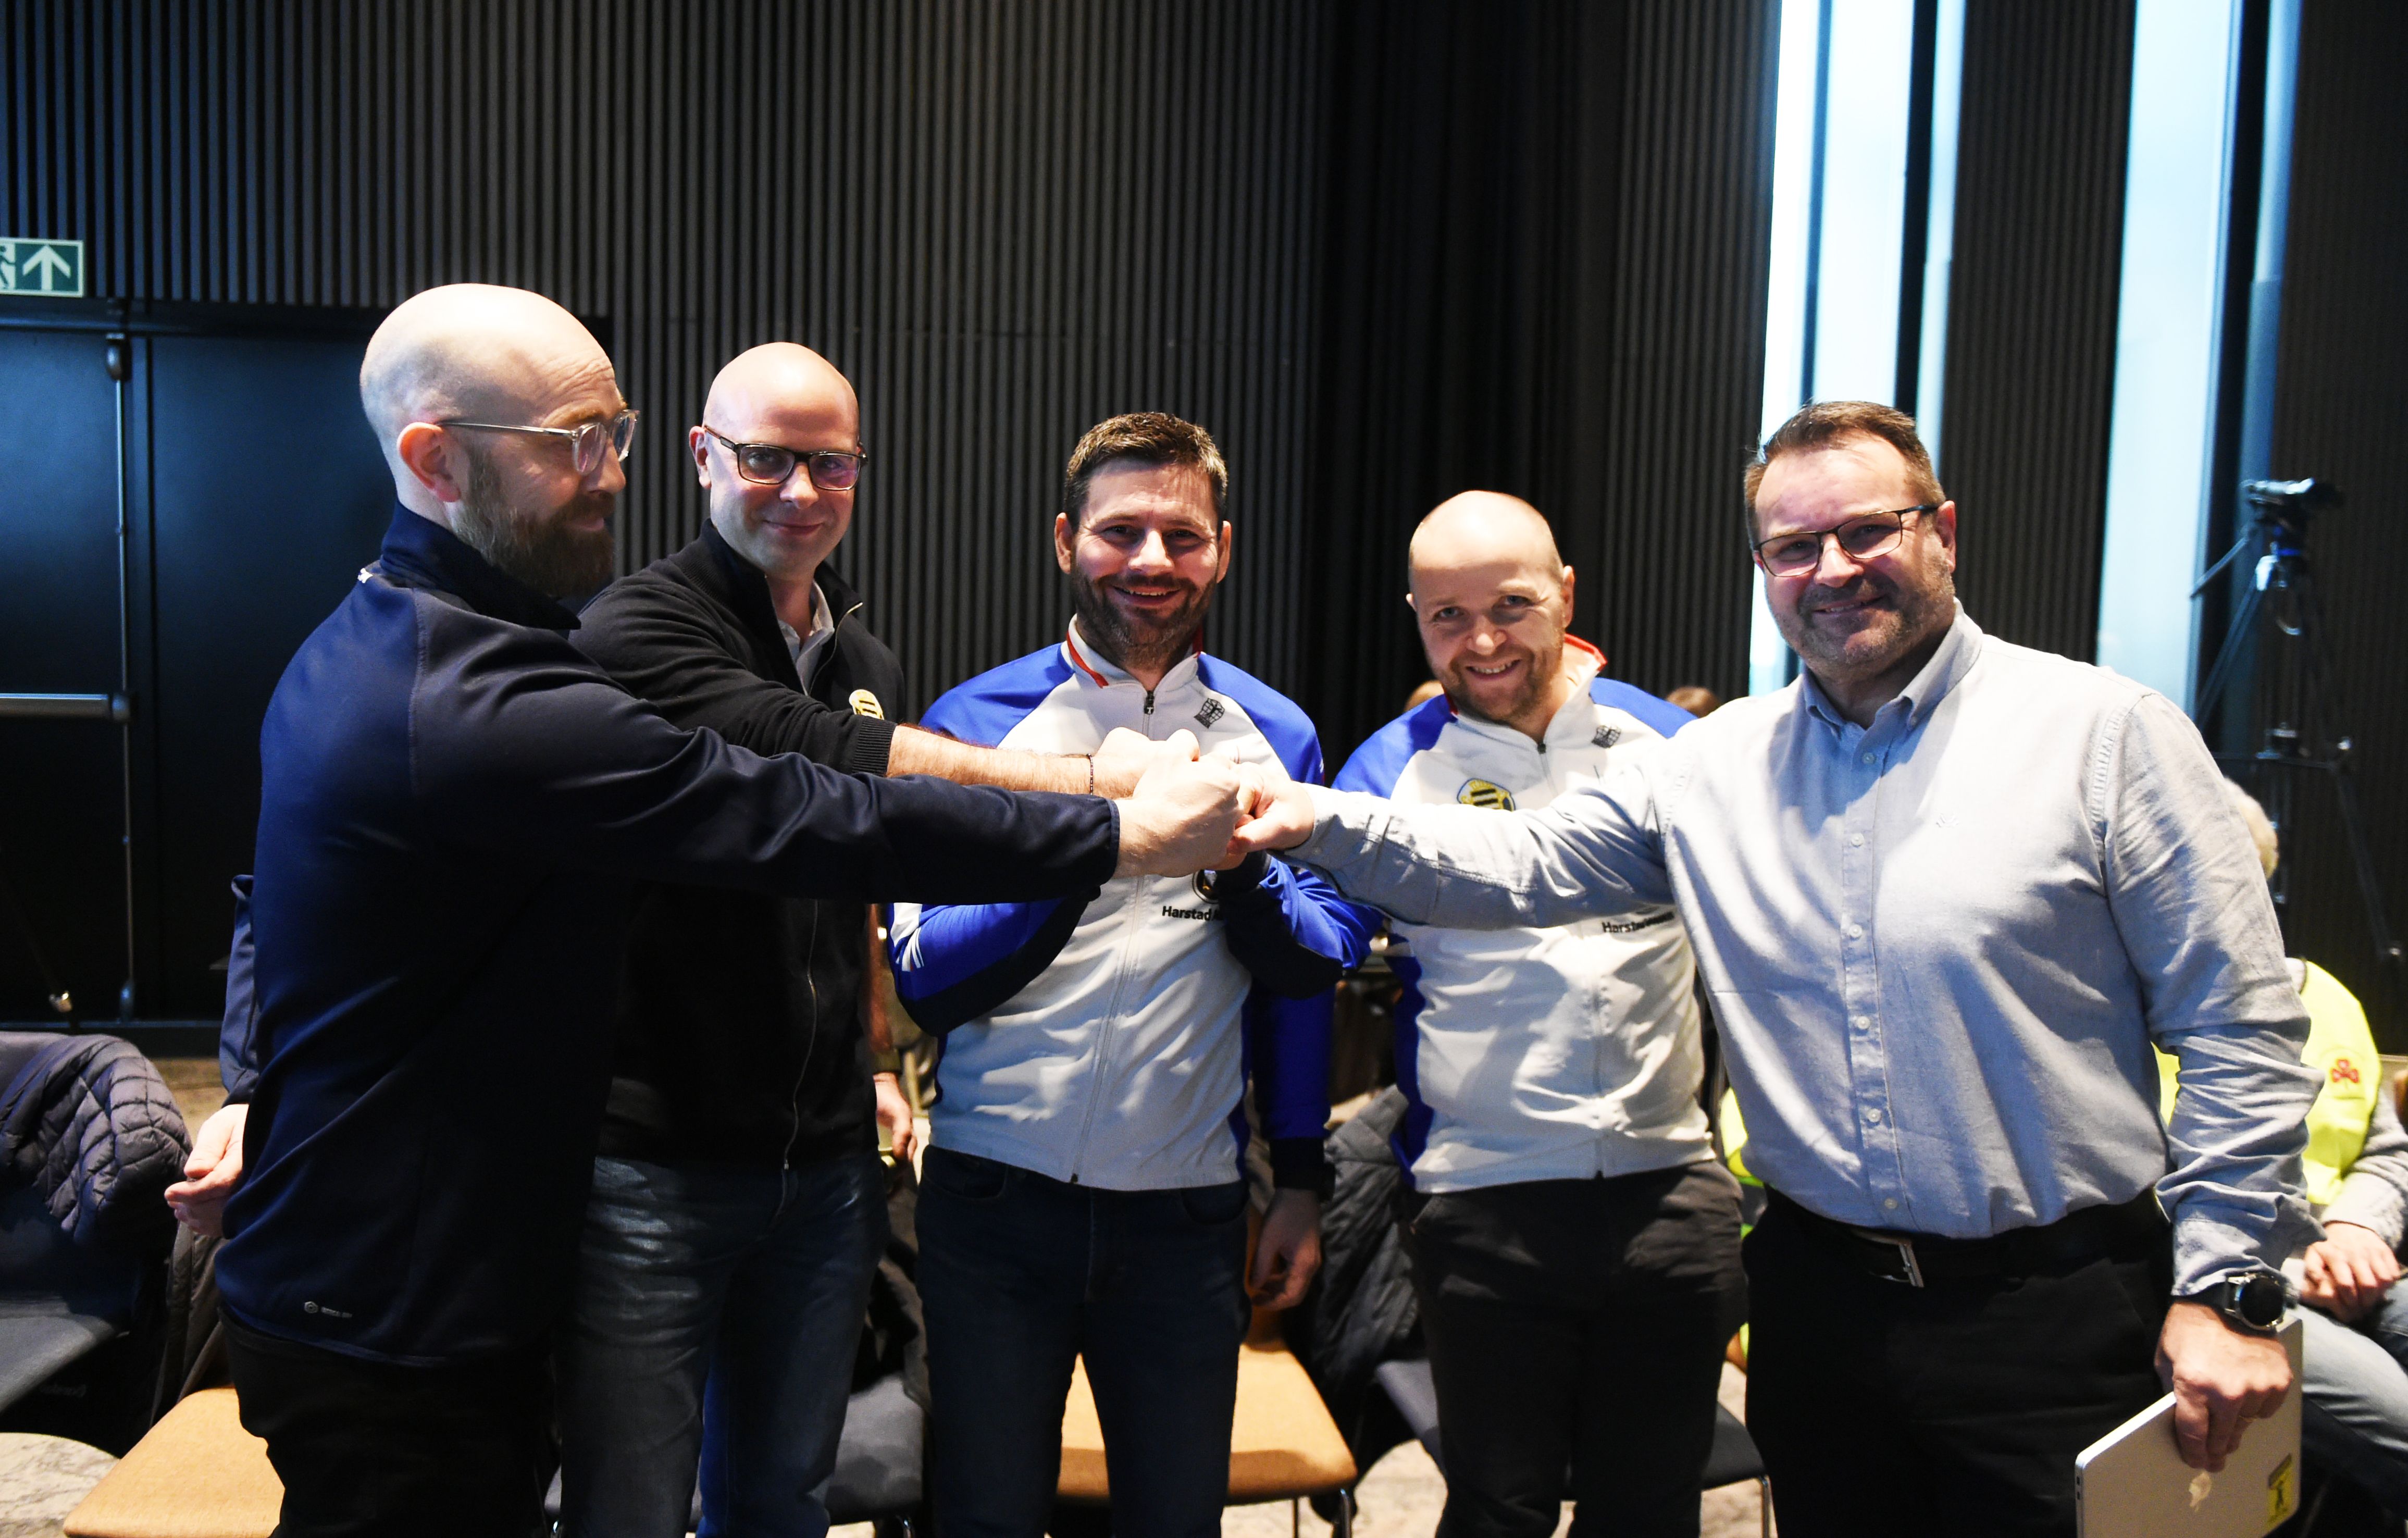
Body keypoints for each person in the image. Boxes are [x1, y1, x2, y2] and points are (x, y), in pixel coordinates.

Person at [164, 286, 1249, 1538]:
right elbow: (797, 801)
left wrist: (256, 1084)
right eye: (577, 443)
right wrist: (1114, 825)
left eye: (612, 433)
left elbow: (287, 901)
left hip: (534, 1238)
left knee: (772, 1494)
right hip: (411, 1281)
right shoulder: (491, 685)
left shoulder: (449, 636)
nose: (609, 474)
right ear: (435, 458)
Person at [1233, 399, 2319, 1537]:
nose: (1832, 570)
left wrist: (2229, 1288)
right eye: (1794, 546)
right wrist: (1298, 815)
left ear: (1943, 530)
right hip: (1820, 1313)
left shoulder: (2106, 734)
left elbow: (2240, 1025)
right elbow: (1518, 864)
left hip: (2055, 1314)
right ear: (1763, 569)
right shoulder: (1711, 766)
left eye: (1867, 531)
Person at [548, 344, 1186, 1538]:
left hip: (827, 1164)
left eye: (829, 464)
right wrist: (1107, 795)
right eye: (766, 459)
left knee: (785, 1498)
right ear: (700, 457)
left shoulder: (865, 659)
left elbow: (860, 885)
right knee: (629, 1508)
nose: (801, 491)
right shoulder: (634, 630)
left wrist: (878, 1063)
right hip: (654, 1163)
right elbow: (817, 757)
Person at [886, 412, 1373, 1538]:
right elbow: (928, 983)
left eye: (1182, 535)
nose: (1152, 560)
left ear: (1222, 550)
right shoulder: (974, 724)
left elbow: (1306, 980)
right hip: (993, 1204)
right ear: (1066, 540)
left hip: (1185, 1216)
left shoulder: (1279, 732)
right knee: (983, 1519)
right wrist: (1103, 836)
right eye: (1120, 531)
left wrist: (1300, 1177)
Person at [1331, 492, 1743, 1537]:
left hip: (1670, 1188)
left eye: (1509, 606)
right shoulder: (1387, 767)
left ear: (1565, 593)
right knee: (1497, 1509)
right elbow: (1310, 954)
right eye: (1448, 616)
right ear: (1417, 618)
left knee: (1650, 1512)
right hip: (1483, 1202)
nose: (1482, 641)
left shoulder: (1671, 743)